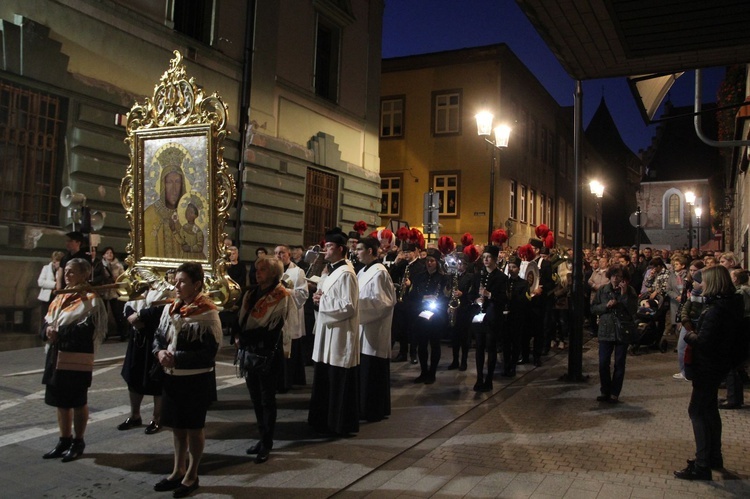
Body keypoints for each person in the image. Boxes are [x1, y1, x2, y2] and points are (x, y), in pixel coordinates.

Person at [152, 262, 221, 497]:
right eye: (176, 280)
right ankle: (177, 470)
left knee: (193, 428)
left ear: (197, 284)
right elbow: (159, 336)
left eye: (182, 281)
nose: (176, 285)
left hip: (195, 380)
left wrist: (177, 358)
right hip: (173, 378)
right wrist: (159, 352)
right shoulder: (172, 308)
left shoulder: (207, 312)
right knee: (177, 428)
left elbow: (208, 354)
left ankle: (192, 474)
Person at [674, 265, 744, 480]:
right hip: (717, 365)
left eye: (703, 280)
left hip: (708, 366)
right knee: (710, 410)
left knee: (697, 411)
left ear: (712, 282)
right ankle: (713, 457)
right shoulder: (729, 304)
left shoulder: (716, 310)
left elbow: (704, 341)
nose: (700, 284)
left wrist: (689, 335)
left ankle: (702, 464)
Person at [41, 258, 107, 462]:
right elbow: (47, 320)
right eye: (65, 271)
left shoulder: (90, 299)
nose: (66, 275)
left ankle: (78, 441)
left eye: (71, 272)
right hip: (56, 354)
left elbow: (87, 329)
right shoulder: (61, 297)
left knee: (77, 400)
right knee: (61, 401)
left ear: (84, 274)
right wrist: (47, 331)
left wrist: (59, 332)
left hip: (76, 356)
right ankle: (64, 439)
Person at [235, 256, 293, 464]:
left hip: (267, 353)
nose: (257, 273)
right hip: (249, 352)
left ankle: (267, 443)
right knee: (256, 399)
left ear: (273, 273)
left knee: (267, 399)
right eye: (256, 269)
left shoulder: (281, 295)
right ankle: (261, 438)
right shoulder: (251, 292)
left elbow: (272, 330)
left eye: (262, 270)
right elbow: (240, 318)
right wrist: (237, 333)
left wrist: (245, 337)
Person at [309, 228, 360, 435]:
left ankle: (338, 424)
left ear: (340, 249)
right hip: (327, 333)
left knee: (336, 379)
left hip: (339, 335)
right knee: (325, 378)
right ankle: (323, 421)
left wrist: (323, 301)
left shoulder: (346, 273)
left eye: (329, 246)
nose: (325, 250)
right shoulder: (332, 271)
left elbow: (348, 306)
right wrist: (317, 300)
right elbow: (326, 298)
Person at [118, 275, 174, 435]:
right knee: (133, 377)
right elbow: (128, 303)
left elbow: (162, 309)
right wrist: (131, 316)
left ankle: (157, 418)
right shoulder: (139, 286)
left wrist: (140, 316)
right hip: (137, 339)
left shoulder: (167, 288)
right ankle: (134, 415)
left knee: (156, 379)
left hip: (155, 338)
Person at [356, 236, 396, 421]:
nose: (356, 253)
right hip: (362, 328)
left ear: (370, 251)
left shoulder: (380, 272)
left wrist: (356, 307)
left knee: (373, 371)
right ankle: (363, 407)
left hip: (374, 330)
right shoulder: (362, 271)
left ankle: (374, 409)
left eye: (359, 249)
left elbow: (384, 303)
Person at [592, 265, 637, 403]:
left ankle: (614, 393)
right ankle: (605, 390)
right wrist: (606, 306)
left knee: (619, 363)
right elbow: (593, 308)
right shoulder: (603, 290)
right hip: (606, 330)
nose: (616, 279)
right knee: (603, 362)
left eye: (619, 277)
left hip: (622, 331)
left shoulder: (630, 291)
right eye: (613, 276)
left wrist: (623, 296)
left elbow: (633, 310)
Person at [404, 248, 450, 384]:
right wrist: (423, 297)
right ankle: (423, 371)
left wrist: (437, 299)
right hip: (420, 313)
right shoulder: (418, 276)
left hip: (436, 315)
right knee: (422, 344)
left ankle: (432, 373)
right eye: (427, 261)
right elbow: (412, 295)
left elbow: (446, 297)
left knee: (435, 344)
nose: (429, 263)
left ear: (437, 263)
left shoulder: (443, 278)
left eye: (432, 261)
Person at [470, 245, 508, 392]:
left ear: (495, 259)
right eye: (484, 257)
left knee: (490, 348)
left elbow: (503, 298)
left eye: (489, 257)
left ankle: (489, 379)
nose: (485, 260)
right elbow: (472, 294)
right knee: (479, 347)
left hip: (493, 317)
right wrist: (475, 300)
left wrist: (489, 295)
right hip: (480, 317)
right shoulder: (478, 275)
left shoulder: (501, 277)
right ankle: (479, 378)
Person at [275, 244, 309, 390]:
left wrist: (286, 291)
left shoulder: (298, 272)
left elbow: (303, 294)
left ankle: (288, 380)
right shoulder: (272, 270)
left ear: (288, 254)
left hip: (292, 314)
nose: (279, 255)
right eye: (276, 253)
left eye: (282, 253)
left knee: (291, 348)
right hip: (276, 315)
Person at [143, 145, 187, 258]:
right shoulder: (150, 214)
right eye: (169, 182)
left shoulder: (188, 215)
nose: (174, 189)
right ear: (163, 185)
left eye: (177, 182)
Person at [501, 256, 530, 377]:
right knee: (505, 342)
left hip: (517, 316)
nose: (511, 269)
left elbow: (523, 300)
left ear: (518, 269)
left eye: (514, 267)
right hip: (505, 317)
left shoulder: (524, 283)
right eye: (510, 267)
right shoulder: (504, 282)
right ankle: (506, 365)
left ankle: (513, 366)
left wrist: (511, 297)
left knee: (515, 342)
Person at [447, 254, 475, 371]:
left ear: (466, 265)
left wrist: (463, 294)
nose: (459, 266)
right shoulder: (454, 276)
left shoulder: (470, 277)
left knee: (464, 338)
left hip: (465, 309)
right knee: (455, 337)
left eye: (461, 264)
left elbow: (473, 293)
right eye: (458, 264)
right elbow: (448, 290)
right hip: (455, 309)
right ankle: (455, 360)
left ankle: (463, 361)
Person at [37, 251, 65, 323]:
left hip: (57, 297)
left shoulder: (63, 270)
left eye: (57, 261)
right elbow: (41, 282)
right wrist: (55, 284)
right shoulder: (46, 268)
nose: (55, 263)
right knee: (45, 318)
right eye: (54, 261)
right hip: (47, 298)